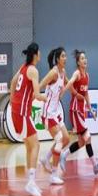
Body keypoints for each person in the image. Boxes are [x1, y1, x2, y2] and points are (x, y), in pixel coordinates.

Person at [59, 50, 98, 175]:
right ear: (78, 62)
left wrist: (90, 109)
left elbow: (86, 94)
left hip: (81, 110)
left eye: (85, 58)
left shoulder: (87, 76)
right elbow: (70, 82)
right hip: (75, 109)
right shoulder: (77, 73)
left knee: (81, 142)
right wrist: (64, 91)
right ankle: (95, 165)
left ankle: (64, 155)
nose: (85, 60)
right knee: (88, 137)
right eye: (82, 58)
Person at [9, 43, 47, 196]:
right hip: (22, 113)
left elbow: (13, 82)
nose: (40, 54)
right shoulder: (33, 70)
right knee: (36, 145)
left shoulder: (23, 68)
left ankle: (30, 181)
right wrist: (47, 98)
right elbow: (37, 95)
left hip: (16, 111)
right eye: (39, 52)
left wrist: (12, 99)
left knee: (29, 146)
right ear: (36, 54)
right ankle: (30, 182)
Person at [38, 47, 70, 185]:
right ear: (57, 59)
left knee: (66, 139)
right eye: (63, 56)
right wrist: (37, 97)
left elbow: (67, 83)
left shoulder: (63, 72)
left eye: (65, 56)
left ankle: (46, 158)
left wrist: (71, 91)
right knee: (60, 140)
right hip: (48, 114)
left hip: (56, 112)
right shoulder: (53, 72)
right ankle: (54, 174)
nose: (65, 58)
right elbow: (39, 85)